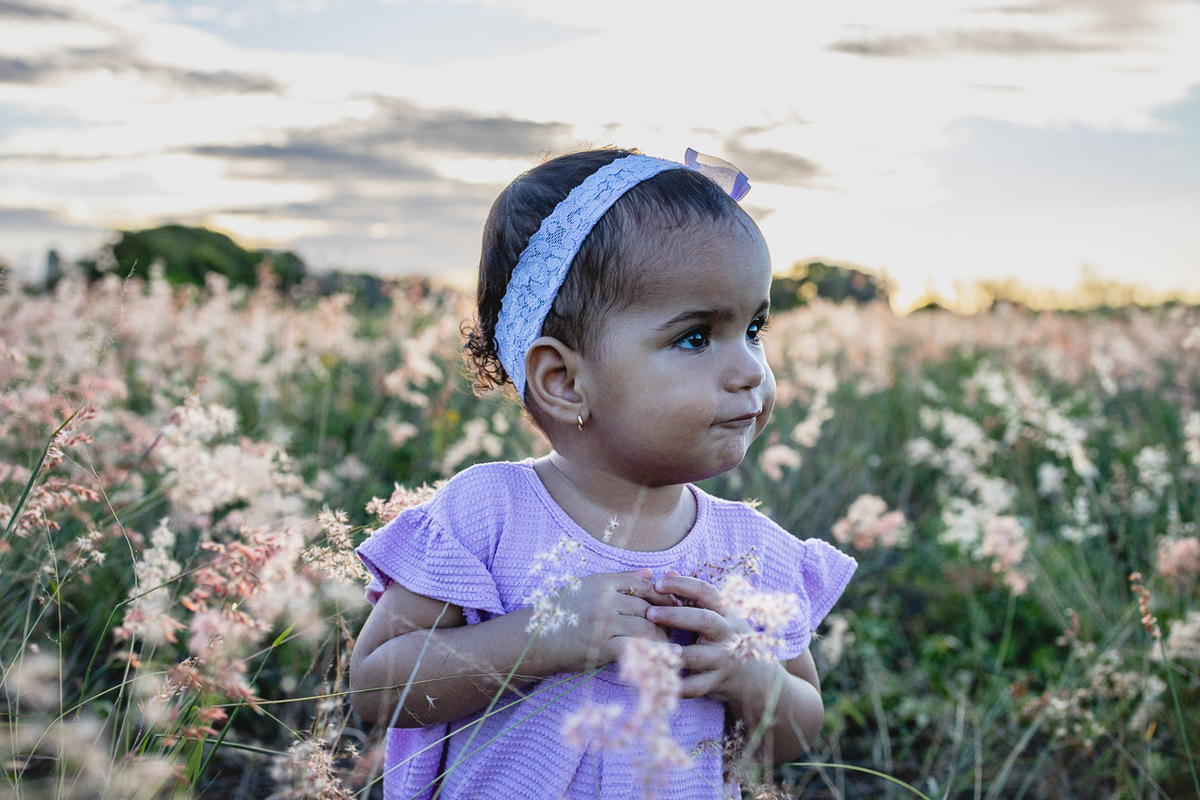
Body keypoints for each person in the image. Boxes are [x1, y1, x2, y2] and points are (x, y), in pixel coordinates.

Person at [349, 147, 857, 799]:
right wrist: (537, 638)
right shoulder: (487, 514)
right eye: (696, 337)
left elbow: (797, 731)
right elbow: (377, 686)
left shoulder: (751, 551)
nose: (752, 369)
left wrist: (750, 677)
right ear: (563, 381)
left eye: (754, 328)